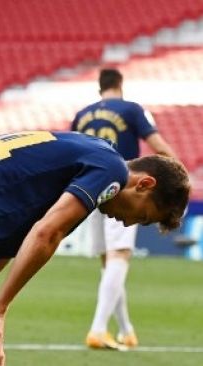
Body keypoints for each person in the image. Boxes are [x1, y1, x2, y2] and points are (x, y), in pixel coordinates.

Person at [0, 130, 190, 366]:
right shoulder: (112, 171)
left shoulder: (84, 151)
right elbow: (46, 235)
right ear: (144, 184)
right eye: (143, 216)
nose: (129, 224)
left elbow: (4, 244)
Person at [71, 68, 179, 350]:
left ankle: (126, 329)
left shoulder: (82, 114)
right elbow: (156, 144)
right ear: (120, 85)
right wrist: (179, 173)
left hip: (87, 188)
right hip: (123, 190)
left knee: (109, 264)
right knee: (119, 257)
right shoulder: (131, 109)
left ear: (100, 88)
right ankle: (97, 329)